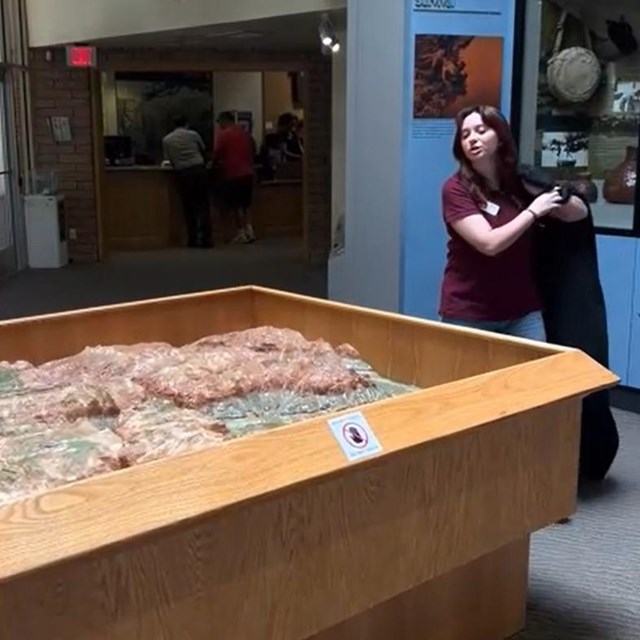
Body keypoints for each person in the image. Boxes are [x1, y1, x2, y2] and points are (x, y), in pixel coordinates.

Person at [439, 104, 588, 340]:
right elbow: (489, 244)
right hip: (470, 312)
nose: (472, 139)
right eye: (465, 135)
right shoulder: (455, 188)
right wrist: (532, 211)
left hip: (522, 310)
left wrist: (552, 190)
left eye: (481, 131)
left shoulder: (518, 180)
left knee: (536, 376)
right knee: (475, 378)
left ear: (500, 137)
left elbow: (578, 214)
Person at [519, 164, 620, 482]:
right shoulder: (528, 216)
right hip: (542, 300)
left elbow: (568, 209)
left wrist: (545, 200)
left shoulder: (571, 206)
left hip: (577, 302)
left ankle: (597, 457)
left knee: (585, 377)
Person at [162, 115, 212, 248]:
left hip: (183, 173)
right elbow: (203, 149)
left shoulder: (167, 139)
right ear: (187, 124)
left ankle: (193, 239)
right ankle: (207, 240)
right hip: (198, 169)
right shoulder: (193, 134)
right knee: (203, 206)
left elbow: (168, 159)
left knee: (189, 207)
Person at [212, 111, 256, 244]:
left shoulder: (223, 135)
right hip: (248, 172)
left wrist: (213, 162)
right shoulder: (245, 134)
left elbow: (217, 153)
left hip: (233, 173)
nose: (219, 126)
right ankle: (250, 230)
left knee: (237, 205)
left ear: (225, 121)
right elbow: (253, 150)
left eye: (219, 123)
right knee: (246, 205)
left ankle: (241, 232)